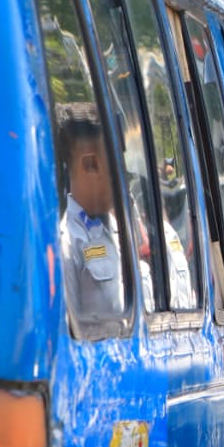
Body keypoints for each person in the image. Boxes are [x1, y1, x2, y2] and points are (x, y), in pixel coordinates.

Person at [57, 102, 129, 328]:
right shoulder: (66, 242)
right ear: (90, 165)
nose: (124, 174)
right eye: (116, 164)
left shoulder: (122, 230)